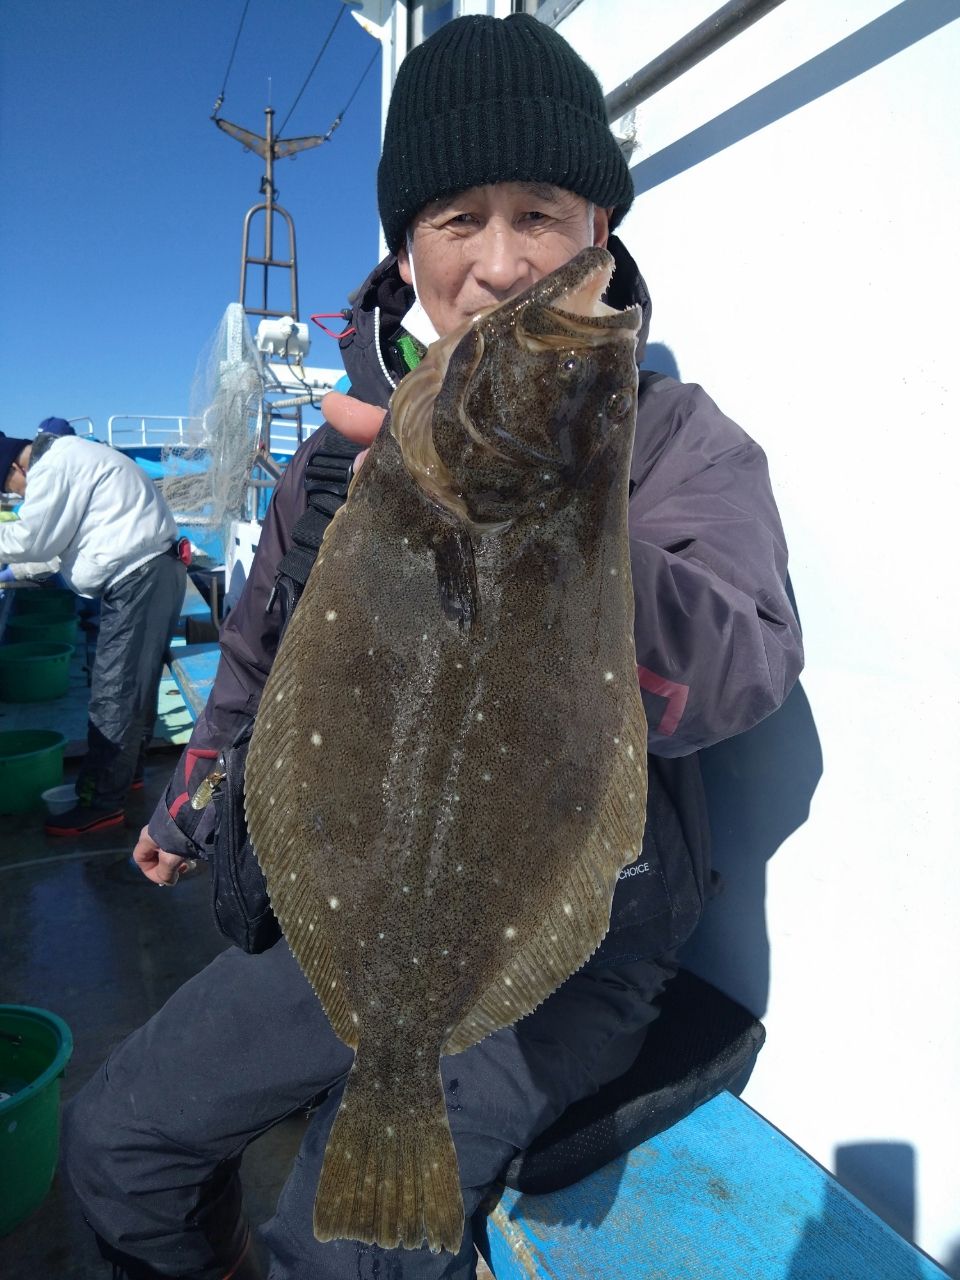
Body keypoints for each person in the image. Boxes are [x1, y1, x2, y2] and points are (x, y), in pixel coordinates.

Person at [62, 14, 803, 1280]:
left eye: (542, 214)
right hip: (352, 905)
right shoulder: (345, 453)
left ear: (599, 238)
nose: (503, 263)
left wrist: (549, 533)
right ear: (407, 253)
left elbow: (745, 661)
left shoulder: (674, 438)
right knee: (116, 1144)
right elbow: (259, 652)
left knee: (345, 1253)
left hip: (561, 939)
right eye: (461, 218)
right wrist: (193, 799)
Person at [0, 422, 187, 835]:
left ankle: (102, 801)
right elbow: (53, 551)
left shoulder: (54, 465)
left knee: (114, 694)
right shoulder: (71, 459)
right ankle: (126, 774)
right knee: (135, 687)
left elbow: (33, 539)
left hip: (139, 578)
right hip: (155, 572)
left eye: (10, 487)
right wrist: (12, 570)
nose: (16, 495)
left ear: (17, 465)